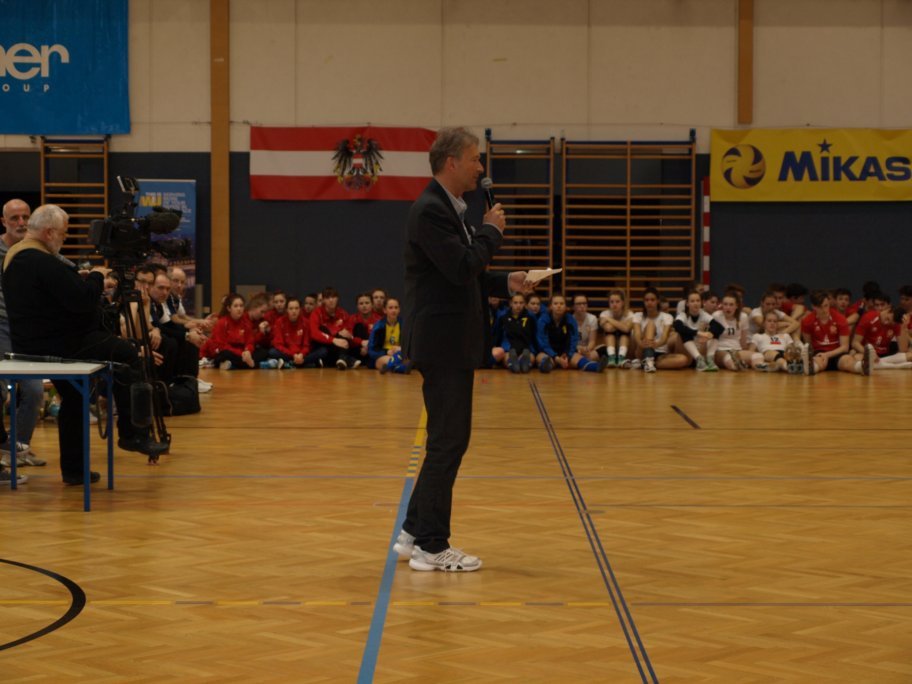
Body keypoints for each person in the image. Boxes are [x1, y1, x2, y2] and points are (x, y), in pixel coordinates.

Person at [395, 126, 530, 573]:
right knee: (449, 441)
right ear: (451, 162)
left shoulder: (449, 208)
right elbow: (460, 267)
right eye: (474, 159)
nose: (480, 167)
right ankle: (433, 546)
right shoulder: (431, 211)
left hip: (449, 341)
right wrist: (491, 232)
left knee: (446, 440)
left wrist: (507, 281)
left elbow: (467, 273)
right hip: (443, 343)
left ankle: (413, 531)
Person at [2, 204, 166, 485]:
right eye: (63, 234)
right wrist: (98, 277)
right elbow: (82, 301)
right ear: (49, 232)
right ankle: (132, 434)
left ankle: (75, 470)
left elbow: (60, 294)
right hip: (59, 343)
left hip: (35, 341)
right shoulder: (40, 260)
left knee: (75, 398)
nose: (64, 239)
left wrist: (84, 281)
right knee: (127, 353)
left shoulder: (20, 256)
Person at [0, 199, 46, 467]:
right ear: (4, 221)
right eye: (14, 218)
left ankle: (18, 447)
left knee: (35, 391)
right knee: (0, 392)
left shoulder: (35, 248)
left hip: (26, 330)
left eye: (25, 217)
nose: (21, 223)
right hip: (1, 327)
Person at [800, 289, 869, 376]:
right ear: (813, 306)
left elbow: (845, 347)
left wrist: (827, 354)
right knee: (819, 362)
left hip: (838, 353)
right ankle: (811, 368)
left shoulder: (840, 319)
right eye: (820, 307)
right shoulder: (807, 321)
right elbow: (809, 345)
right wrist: (818, 355)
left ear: (829, 303)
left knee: (847, 361)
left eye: (826, 305)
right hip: (820, 353)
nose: (824, 310)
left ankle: (862, 367)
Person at [536, 294, 606, 373]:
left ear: (566, 307)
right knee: (540, 357)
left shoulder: (570, 320)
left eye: (561, 304)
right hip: (549, 353)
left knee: (578, 358)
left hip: (564, 353)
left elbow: (573, 340)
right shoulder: (543, 320)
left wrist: (567, 355)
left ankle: (596, 366)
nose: (559, 306)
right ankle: (545, 366)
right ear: (550, 306)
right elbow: (543, 343)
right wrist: (555, 357)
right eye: (555, 303)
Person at [632, 288, 689, 372]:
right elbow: (637, 334)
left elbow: (664, 337)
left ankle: (647, 363)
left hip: (660, 353)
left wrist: (656, 344)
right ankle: (648, 358)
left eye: (652, 300)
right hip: (642, 349)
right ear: (643, 302)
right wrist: (641, 344)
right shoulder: (637, 316)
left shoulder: (667, 317)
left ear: (657, 301)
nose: (649, 302)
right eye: (647, 300)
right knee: (651, 324)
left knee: (683, 359)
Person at [673, 290, 719, 371]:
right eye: (692, 301)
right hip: (686, 353)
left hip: (700, 349)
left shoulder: (704, 314)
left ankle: (709, 359)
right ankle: (698, 358)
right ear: (687, 303)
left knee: (715, 331)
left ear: (701, 303)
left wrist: (710, 334)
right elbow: (677, 326)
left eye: (698, 301)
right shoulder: (683, 315)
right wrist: (698, 333)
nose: (696, 303)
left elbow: (718, 327)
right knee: (683, 332)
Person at [492, 293, 537, 373]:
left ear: (525, 304)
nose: (518, 305)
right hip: (509, 347)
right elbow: (497, 333)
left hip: (525, 347)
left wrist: (533, 349)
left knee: (532, 357)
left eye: (521, 303)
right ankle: (513, 363)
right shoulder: (503, 316)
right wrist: (494, 345)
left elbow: (534, 334)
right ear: (510, 303)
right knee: (507, 357)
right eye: (515, 303)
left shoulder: (530, 317)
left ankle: (524, 363)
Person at [368, 297, 411, 373]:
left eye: (396, 308)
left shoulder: (405, 325)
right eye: (390, 308)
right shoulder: (379, 326)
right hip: (385, 355)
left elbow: (411, 345)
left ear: (399, 310)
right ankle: (398, 367)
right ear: (385, 310)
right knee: (380, 362)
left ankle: (393, 366)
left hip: (401, 354)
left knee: (405, 358)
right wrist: (387, 352)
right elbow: (372, 350)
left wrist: (402, 349)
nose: (394, 310)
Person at [596, 289, 635, 368]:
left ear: (623, 303)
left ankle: (621, 359)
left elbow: (626, 329)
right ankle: (612, 358)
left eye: (617, 302)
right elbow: (609, 328)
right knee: (610, 334)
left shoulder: (630, 314)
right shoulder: (604, 314)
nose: (614, 304)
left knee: (624, 335)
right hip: (611, 347)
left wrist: (609, 319)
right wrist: (621, 325)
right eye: (612, 302)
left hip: (628, 349)